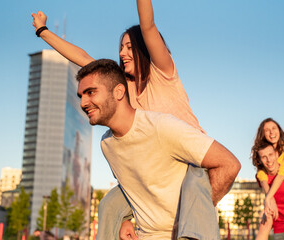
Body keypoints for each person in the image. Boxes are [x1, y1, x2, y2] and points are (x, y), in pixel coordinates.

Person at [32, 1, 222, 239]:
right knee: (109, 205)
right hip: (155, 172)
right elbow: (83, 58)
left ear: (144, 48)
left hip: (190, 162)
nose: (122, 53)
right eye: (121, 48)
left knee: (193, 185)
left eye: (129, 47)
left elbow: (148, 26)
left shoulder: (163, 73)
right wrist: (43, 32)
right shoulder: (122, 88)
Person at [76, 58, 240, 240]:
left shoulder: (161, 126)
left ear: (119, 92)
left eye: (90, 92)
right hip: (146, 235)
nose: (83, 103)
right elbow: (132, 188)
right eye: (81, 95)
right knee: (107, 203)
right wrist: (123, 220)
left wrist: (193, 217)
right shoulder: (107, 144)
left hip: (187, 235)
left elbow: (229, 164)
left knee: (197, 173)